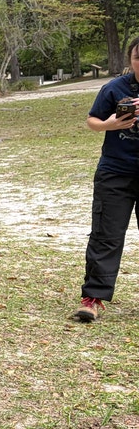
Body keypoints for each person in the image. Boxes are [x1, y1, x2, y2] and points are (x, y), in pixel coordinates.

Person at [74, 36, 139, 323]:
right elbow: (92, 120)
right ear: (130, 60)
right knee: (106, 235)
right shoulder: (114, 88)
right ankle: (93, 298)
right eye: (138, 57)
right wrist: (110, 124)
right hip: (115, 172)